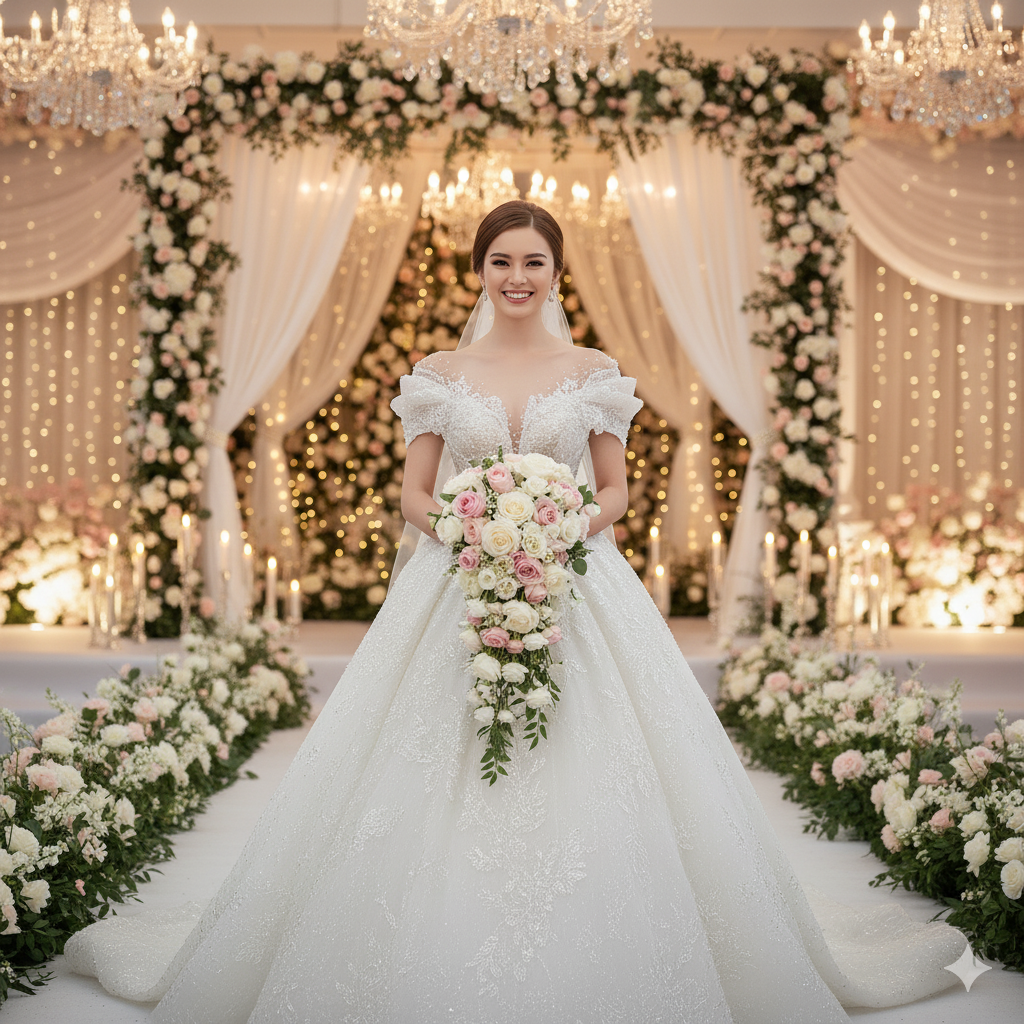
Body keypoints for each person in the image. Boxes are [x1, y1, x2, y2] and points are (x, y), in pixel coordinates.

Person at [67, 201, 965, 1022]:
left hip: (578, 575)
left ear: (556, 271)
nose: (518, 276)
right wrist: (472, 527)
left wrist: (557, 524)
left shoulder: (594, 371)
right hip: (454, 575)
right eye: (502, 261)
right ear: (481, 270)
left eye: (534, 260)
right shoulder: (438, 371)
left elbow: (616, 489)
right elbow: (414, 493)